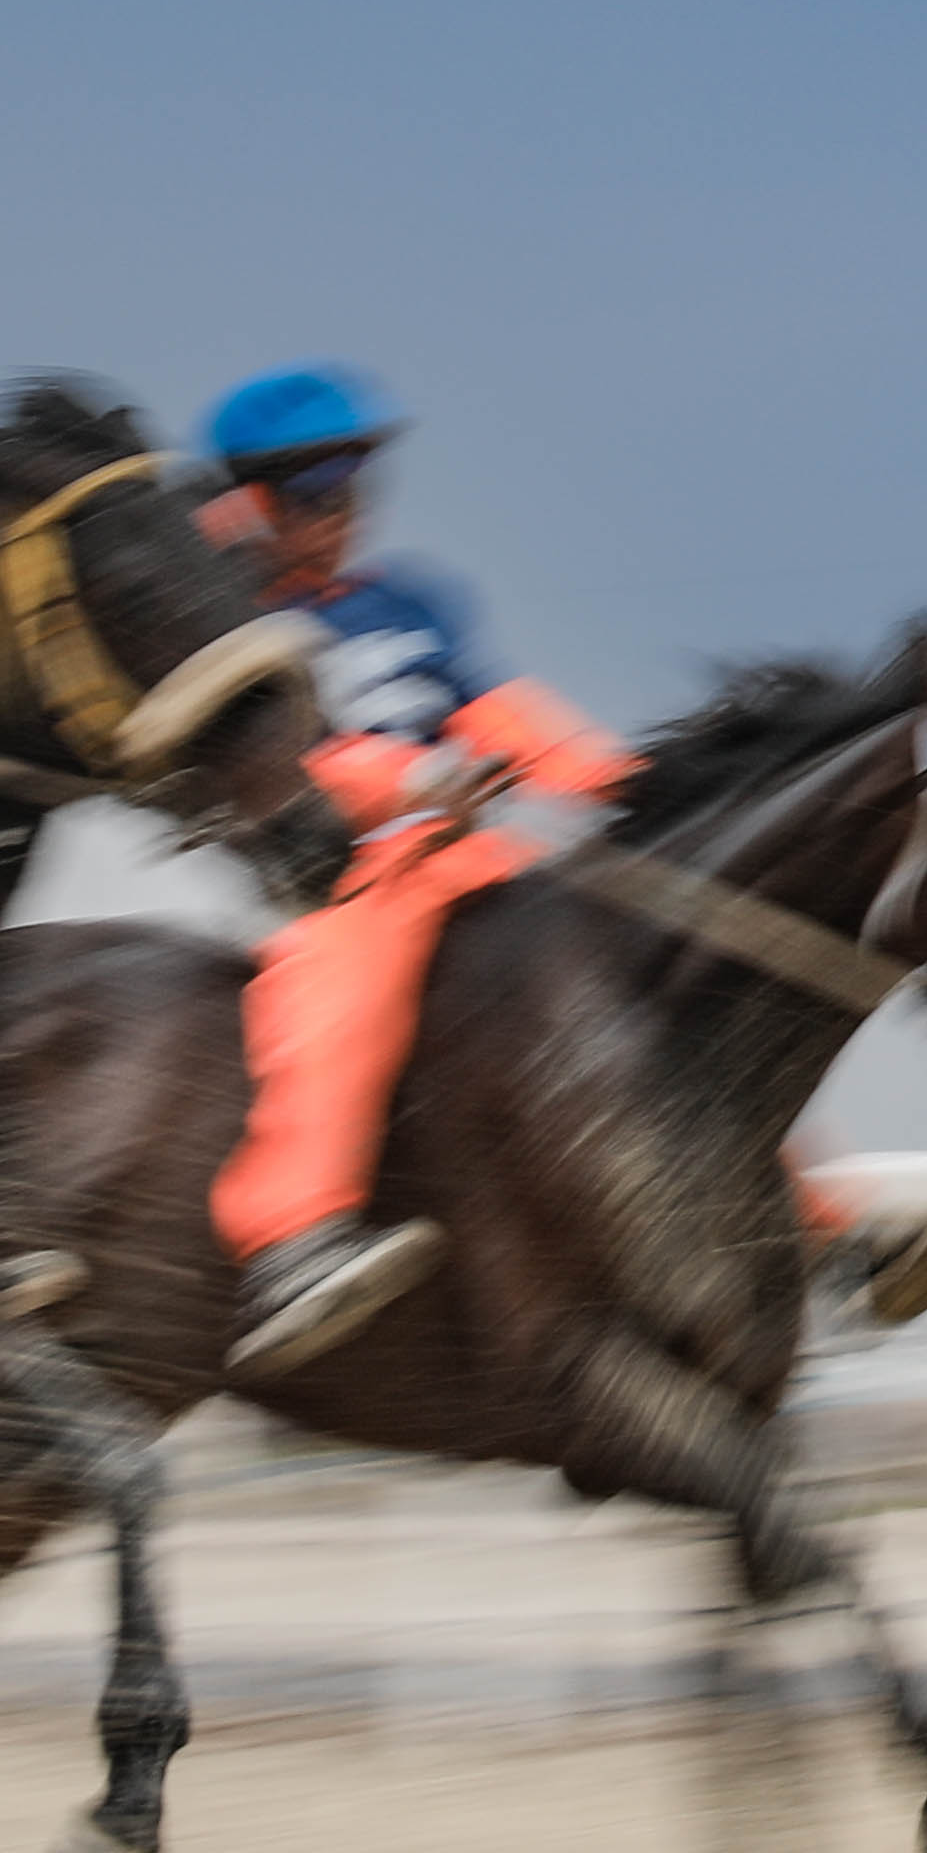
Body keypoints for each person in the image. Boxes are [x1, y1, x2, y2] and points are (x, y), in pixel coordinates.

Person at [193, 366, 640, 1378]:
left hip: (475, 850)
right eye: (313, 497)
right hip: (345, 875)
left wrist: (624, 782)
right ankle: (293, 1241)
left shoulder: (413, 598)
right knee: (334, 1005)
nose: (341, 516)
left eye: (353, 491)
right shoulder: (229, 633)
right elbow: (284, 766)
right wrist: (417, 780)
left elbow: (500, 711)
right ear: (245, 505)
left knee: (647, 962)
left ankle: (818, 1218)